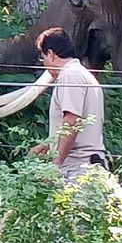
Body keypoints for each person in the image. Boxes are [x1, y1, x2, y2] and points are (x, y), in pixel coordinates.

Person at [29, 27, 107, 179]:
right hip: (90, 166)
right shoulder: (83, 74)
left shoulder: (70, 76)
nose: (44, 64)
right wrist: (48, 144)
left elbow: (72, 121)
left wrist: (55, 165)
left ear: (51, 54)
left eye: (43, 59)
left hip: (77, 170)